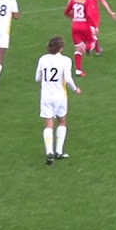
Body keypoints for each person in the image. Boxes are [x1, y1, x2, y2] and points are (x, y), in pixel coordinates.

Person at [35, 35, 80, 166]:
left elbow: (37, 78)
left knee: (48, 124)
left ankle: (49, 151)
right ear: (61, 48)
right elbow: (68, 78)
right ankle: (59, 151)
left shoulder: (43, 59)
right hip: (60, 96)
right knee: (61, 121)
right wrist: (75, 89)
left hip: (46, 96)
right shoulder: (66, 60)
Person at [63, 0, 95, 76]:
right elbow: (89, 15)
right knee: (92, 42)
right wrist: (93, 26)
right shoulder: (88, 0)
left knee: (77, 48)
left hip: (75, 25)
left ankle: (78, 70)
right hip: (84, 25)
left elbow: (66, 12)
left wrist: (74, 17)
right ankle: (87, 49)